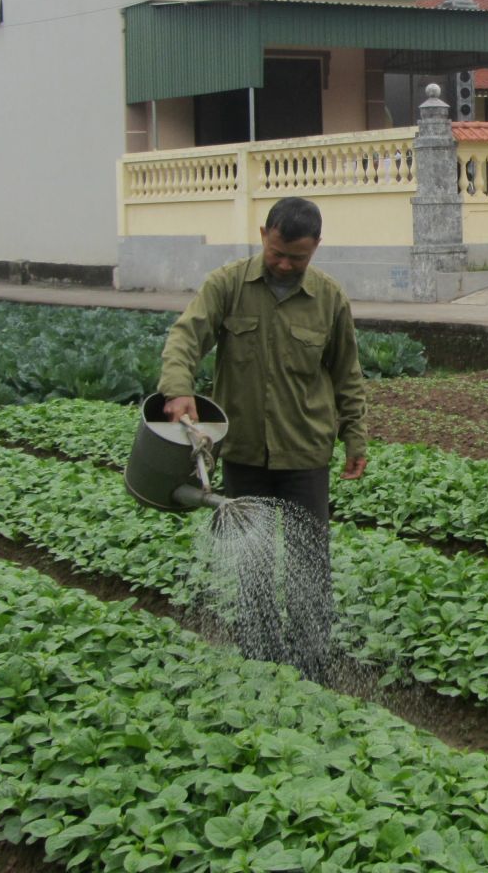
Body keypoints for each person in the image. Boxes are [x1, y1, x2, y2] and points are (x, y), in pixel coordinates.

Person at [157, 196, 366, 681]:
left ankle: (314, 662)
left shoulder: (329, 298)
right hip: (246, 452)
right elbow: (185, 337)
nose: (286, 264)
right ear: (263, 233)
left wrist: (356, 436)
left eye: (298, 257)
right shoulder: (227, 285)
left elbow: (347, 374)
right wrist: (179, 390)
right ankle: (259, 655)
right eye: (278, 252)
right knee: (252, 563)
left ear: (316, 248)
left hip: (306, 453)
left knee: (308, 562)